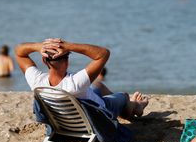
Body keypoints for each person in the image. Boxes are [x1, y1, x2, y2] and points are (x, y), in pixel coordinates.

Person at [14, 38, 149, 121]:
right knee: (124, 96)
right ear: (67, 60)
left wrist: (39, 46)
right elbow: (103, 53)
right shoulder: (75, 83)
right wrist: (69, 46)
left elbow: (19, 52)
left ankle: (119, 103)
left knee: (97, 85)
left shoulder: (37, 82)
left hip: (63, 121)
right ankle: (137, 107)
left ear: (44, 61)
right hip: (98, 114)